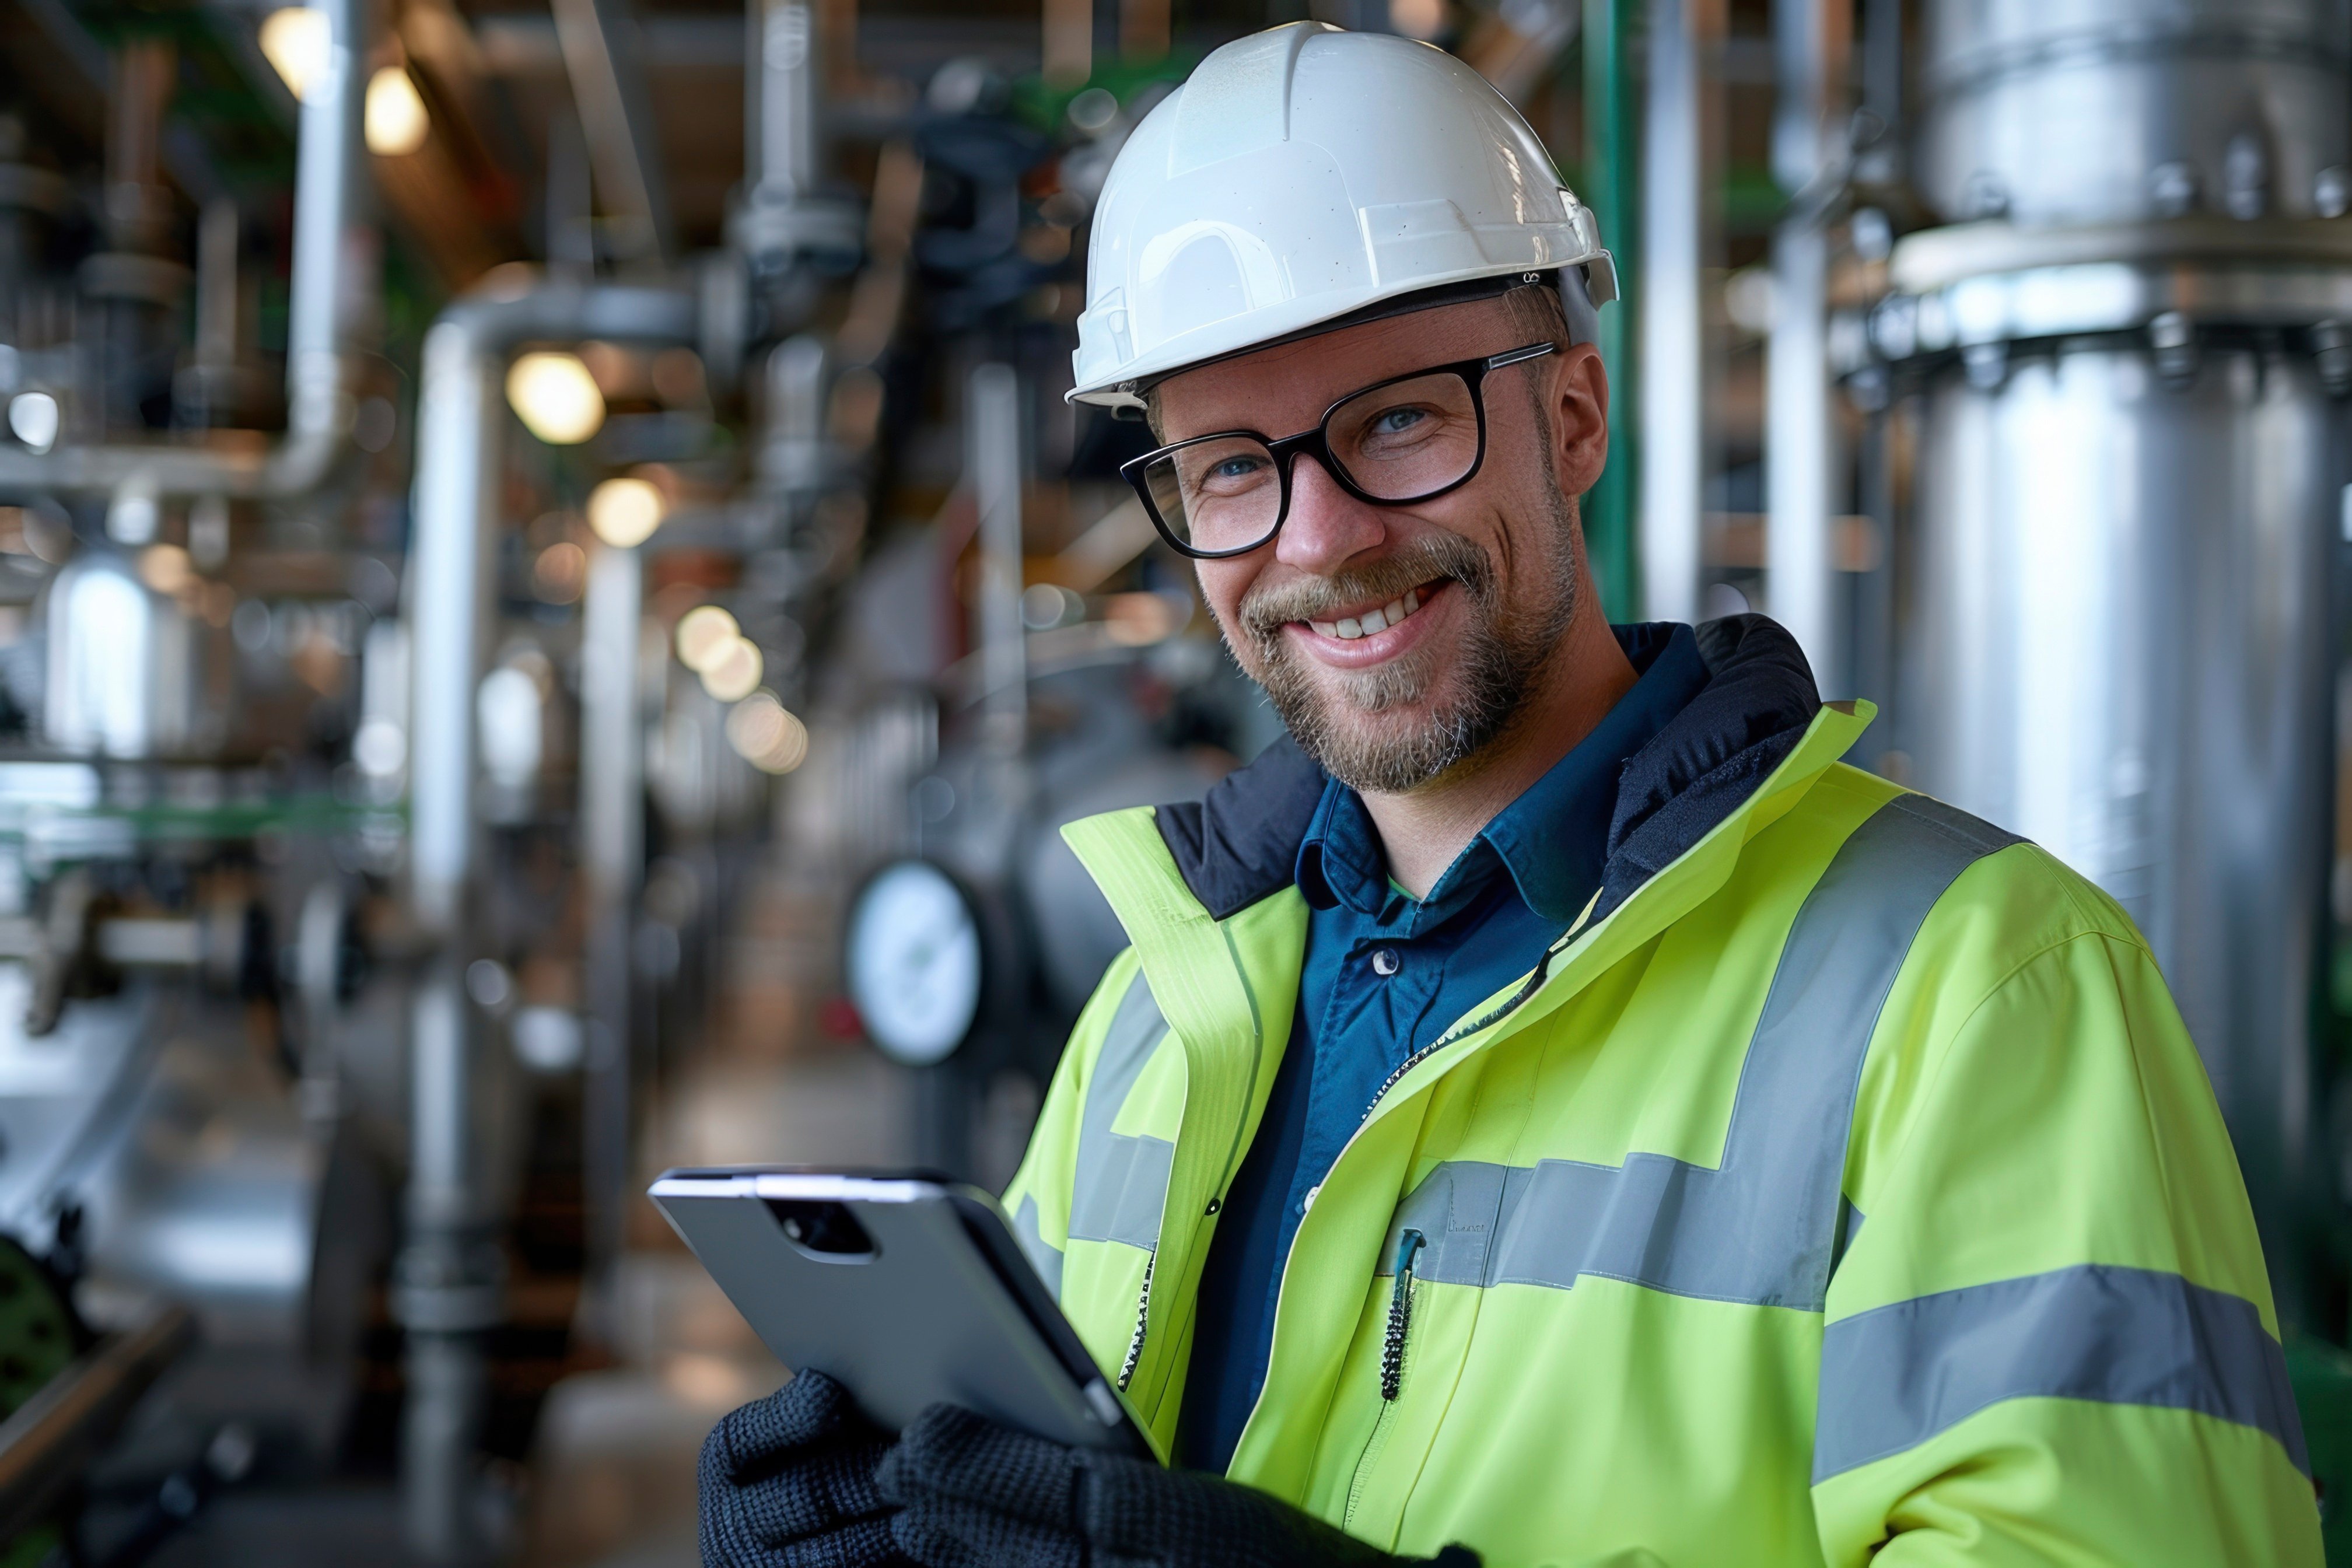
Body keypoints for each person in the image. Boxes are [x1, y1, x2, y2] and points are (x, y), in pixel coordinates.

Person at [699, 21, 2320, 1567]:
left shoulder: (1985, 989)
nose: (1319, 542)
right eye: (1233, 469)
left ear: (1573, 414)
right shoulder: (1153, 1013)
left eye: (1398, 420)